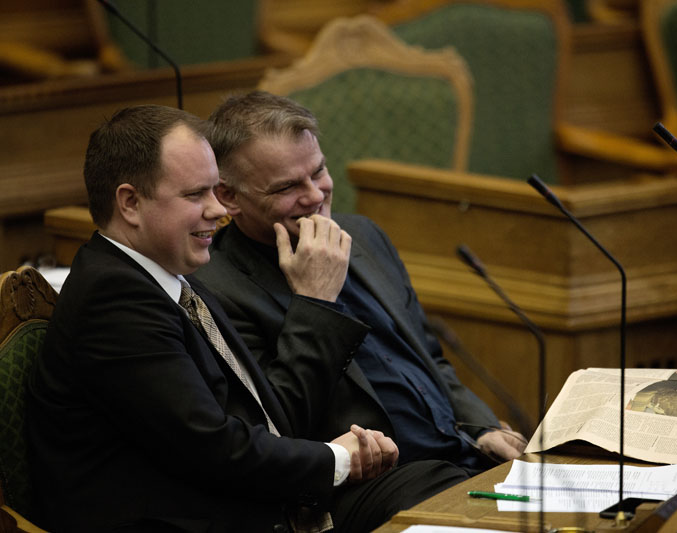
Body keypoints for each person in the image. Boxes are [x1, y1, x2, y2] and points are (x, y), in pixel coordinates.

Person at [25, 105, 428, 533]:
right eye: (196, 195)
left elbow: (263, 418)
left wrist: (341, 453)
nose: (219, 210)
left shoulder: (172, 278)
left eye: (215, 191)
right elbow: (212, 449)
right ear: (130, 203)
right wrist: (340, 459)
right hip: (184, 522)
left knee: (434, 489)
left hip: (249, 504)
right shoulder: (113, 299)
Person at [194, 91, 527, 476]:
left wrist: (482, 427)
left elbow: (430, 359)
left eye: (318, 171)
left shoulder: (365, 235)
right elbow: (281, 422)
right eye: (287, 188)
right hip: (385, 480)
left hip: (465, 453)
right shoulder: (216, 289)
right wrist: (317, 302)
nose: (315, 195)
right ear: (229, 197)